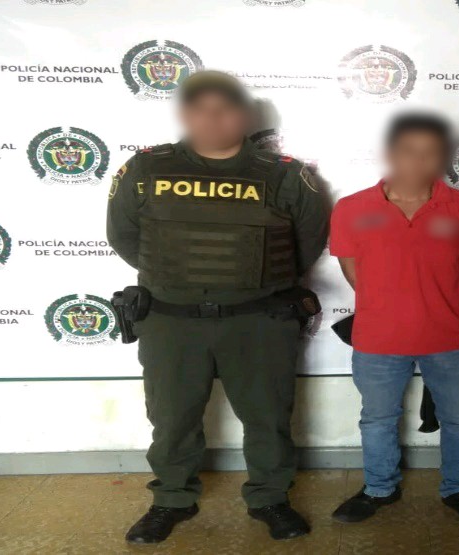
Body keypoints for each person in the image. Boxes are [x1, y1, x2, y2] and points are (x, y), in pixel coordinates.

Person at [106, 71, 329, 543]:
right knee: (172, 419)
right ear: (184, 114)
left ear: (245, 116)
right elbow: (124, 237)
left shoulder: (285, 175)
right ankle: (171, 499)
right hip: (171, 320)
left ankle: (271, 498)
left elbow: (305, 245)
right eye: (201, 109)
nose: (213, 119)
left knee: (268, 417)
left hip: (259, 319)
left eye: (225, 109)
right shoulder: (145, 169)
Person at [328, 113, 459, 530]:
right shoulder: (352, 208)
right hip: (378, 338)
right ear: (390, 153)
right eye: (408, 151)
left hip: (450, 336)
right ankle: (378, 489)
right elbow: (354, 274)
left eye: (430, 152)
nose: (418, 161)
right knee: (377, 419)